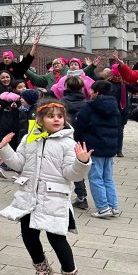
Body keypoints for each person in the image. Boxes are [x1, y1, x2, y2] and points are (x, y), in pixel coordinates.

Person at [0, 101, 92, 275]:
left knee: (56, 238)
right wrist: (5, 149)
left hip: (54, 198)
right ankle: (42, 268)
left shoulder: (68, 143)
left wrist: (82, 162)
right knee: (28, 236)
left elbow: (72, 174)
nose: (56, 119)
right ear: (40, 119)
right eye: (51, 116)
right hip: (30, 196)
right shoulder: (29, 138)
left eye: (59, 116)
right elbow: (19, 164)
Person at [74, 80, 122, 218]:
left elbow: (79, 126)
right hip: (110, 147)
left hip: (94, 147)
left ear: (97, 92)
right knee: (108, 178)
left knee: (95, 178)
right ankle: (113, 206)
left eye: (91, 90)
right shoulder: (114, 106)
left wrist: (78, 143)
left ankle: (102, 208)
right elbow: (119, 127)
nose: (90, 93)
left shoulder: (89, 107)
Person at [61, 77, 89, 209]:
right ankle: (81, 197)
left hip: (65, 138)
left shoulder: (62, 103)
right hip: (82, 140)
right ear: (81, 88)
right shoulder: (86, 104)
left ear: (66, 86)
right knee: (78, 167)